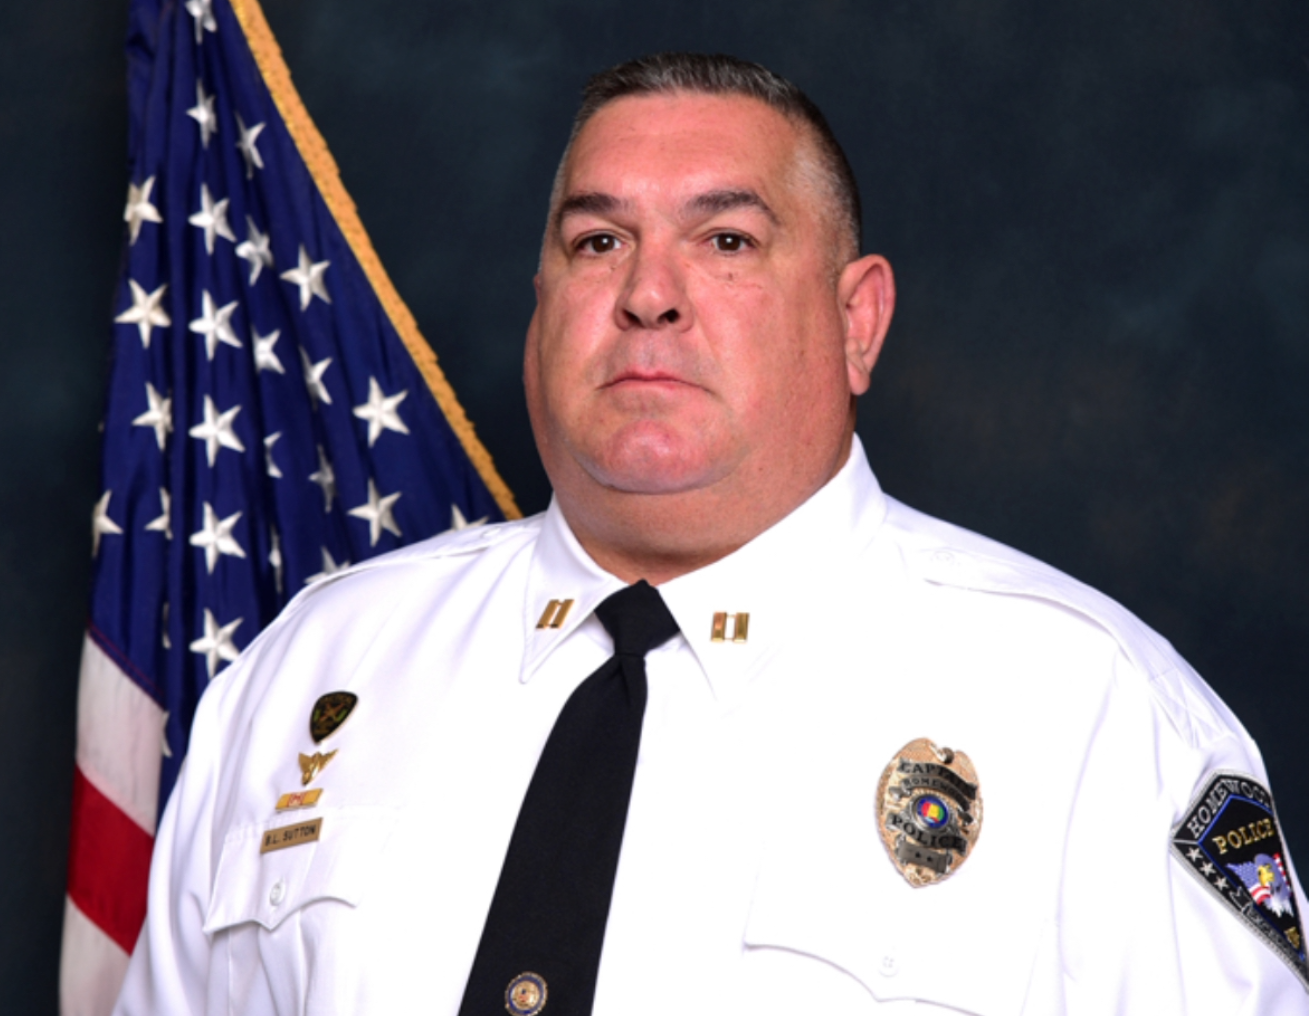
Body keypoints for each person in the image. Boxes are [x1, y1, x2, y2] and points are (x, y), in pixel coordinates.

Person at [114, 52, 1309, 1015]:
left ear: (857, 320)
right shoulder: (305, 672)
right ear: (541, 307)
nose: (648, 292)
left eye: (726, 240)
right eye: (597, 240)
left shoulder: (1092, 713)